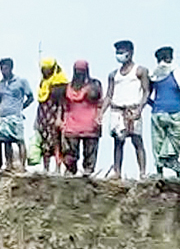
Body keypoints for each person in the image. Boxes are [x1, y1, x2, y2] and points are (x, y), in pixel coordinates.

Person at [102, 40, 150, 179]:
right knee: (118, 142)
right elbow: (109, 95)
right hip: (117, 110)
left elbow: (146, 91)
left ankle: (142, 172)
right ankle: (117, 171)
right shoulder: (113, 74)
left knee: (137, 141)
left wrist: (140, 109)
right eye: (117, 52)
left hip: (133, 109)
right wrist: (101, 113)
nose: (119, 55)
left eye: (122, 52)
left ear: (130, 52)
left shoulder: (140, 71)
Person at [0, 58, 34, 172]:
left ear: (11, 68)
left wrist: (21, 107)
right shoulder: (0, 84)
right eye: (1, 68)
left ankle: (22, 165)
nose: (3, 71)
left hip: (15, 115)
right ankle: (9, 165)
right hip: (3, 116)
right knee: (6, 142)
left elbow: (30, 97)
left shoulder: (21, 81)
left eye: (5, 68)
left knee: (20, 140)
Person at [62, 60, 102, 176]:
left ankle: (88, 171)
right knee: (70, 151)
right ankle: (70, 170)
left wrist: (99, 117)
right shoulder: (68, 87)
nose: (79, 73)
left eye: (82, 71)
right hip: (72, 123)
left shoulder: (94, 85)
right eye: (77, 71)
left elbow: (100, 102)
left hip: (90, 123)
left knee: (90, 150)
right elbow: (64, 105)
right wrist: (62, 119)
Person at [148, 46, 180, 177]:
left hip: (157, 113)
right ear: (170, 58)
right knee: (174, 142)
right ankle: (175, 169)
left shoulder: (153, 74)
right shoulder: (176, 71)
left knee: (158, 142)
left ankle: (159, 172)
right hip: (175, 112)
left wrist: (155, 105)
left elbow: (146, 95)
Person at [35, 58, 69, 173]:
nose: (45, 71)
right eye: (43, 69)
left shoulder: (60, 82)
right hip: (43, 116)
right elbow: (40, 102)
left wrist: (59, 118)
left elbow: (62, 102)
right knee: (44, 142)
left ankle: (58, 167)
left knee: (57, 141)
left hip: (54, 115)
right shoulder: (43, 82)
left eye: (47, 69)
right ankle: (46, 168)